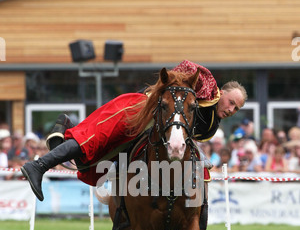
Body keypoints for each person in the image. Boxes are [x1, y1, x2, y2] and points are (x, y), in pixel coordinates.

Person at [21, 60, 247, 201]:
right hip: (140, 108)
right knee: (94, 139)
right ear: (222, 92)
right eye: (231, 102)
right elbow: (187, 67)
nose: (232, 109)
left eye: (237, 108)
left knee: (103, 161)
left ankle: (194, 219)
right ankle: (38, 166)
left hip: (151, 133)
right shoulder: (208, 86)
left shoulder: (211, 126)